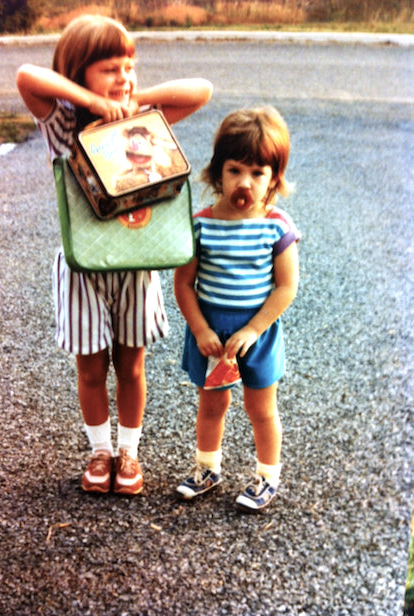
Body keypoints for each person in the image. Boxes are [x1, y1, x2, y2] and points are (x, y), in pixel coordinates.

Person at [16, 15, 212, 496]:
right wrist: (91, 101)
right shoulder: (63, 125)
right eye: (109, 69)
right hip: (83, 267)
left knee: (132, 366)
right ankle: (99, 451)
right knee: (90, 368)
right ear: (78, 72)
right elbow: (26, 76)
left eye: (129, 66)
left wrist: (133, 99)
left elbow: (201, 90)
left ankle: (129, 452)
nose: (123, 76)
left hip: (137, 264)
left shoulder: (141, 122)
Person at [174, 107, 300, 512]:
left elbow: (286, 287)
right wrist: (199, 329)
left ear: (273, 179)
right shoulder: (201, 224)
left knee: (260, 408)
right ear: (218, 172)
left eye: (257, 173)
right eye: (235, 171)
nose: (245, 182)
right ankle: (207, 468)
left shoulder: (276, 226)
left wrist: (254, 329)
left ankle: (267, 476)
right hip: (212, 332)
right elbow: (183, 284)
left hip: (256, 334)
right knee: (212, 404)